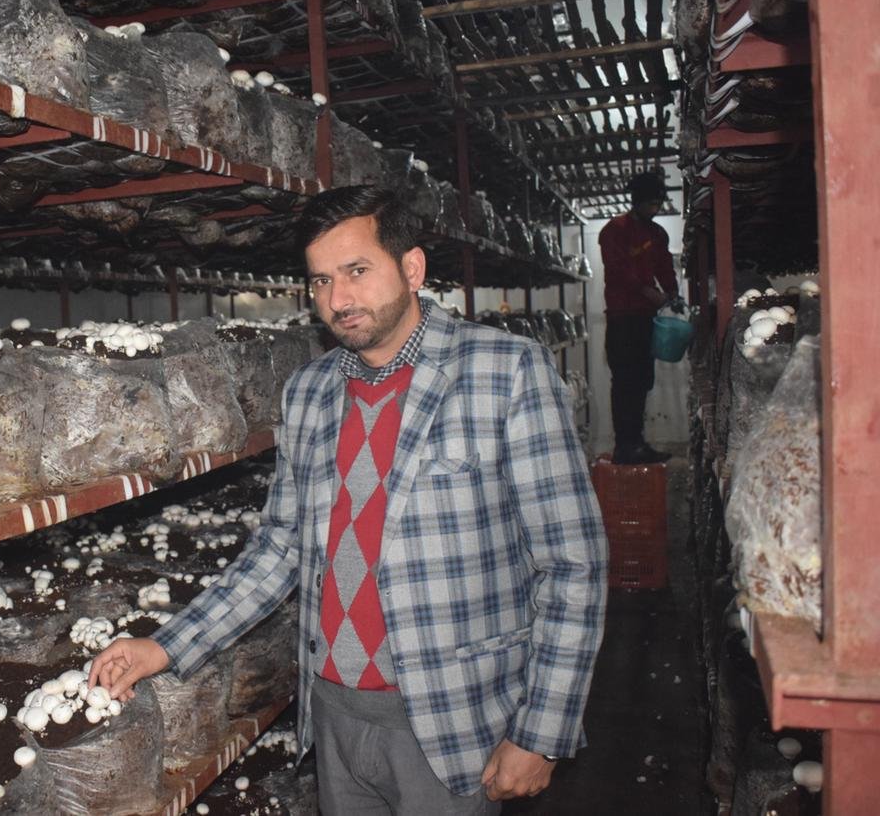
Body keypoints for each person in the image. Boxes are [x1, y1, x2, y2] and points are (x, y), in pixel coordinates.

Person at [89, 186, 608, 814]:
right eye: (321, 281)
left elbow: (572, 563)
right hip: (333, 714)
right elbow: (279, 549)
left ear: (411, 268)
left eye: (357, 271)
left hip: (450, 719)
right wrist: (166, 645)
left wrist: (541, 732)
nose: (337, 300)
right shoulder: (310, 390)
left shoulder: (506, 370)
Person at [600, 172, 681, 465]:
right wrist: (649, 292)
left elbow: (665, 266)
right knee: (625, 381)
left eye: (658, 204)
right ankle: (625, 446)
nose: (655, 209)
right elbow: (619, 270)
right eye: (650, 204)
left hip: (647, 318)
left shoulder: (657, 234)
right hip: (622, 319)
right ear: (636, 201)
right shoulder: (614, 230)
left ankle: (637, 442)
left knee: (643, 380)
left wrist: (672, 292)